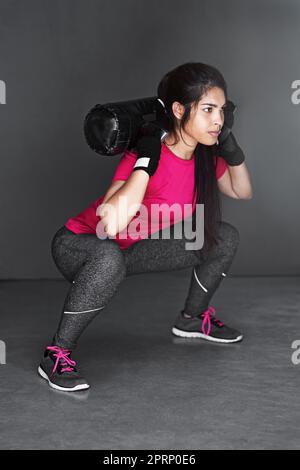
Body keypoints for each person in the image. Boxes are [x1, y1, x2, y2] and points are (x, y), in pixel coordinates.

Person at [38, 62, 253, 392]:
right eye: (209, 110)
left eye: (222, 111)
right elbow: (111, 223)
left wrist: (232, 150)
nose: (219, 120)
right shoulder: (147, 154)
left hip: (130, 252)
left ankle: (192, 319)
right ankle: (57, 353)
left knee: (223, 237)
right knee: (109, 256)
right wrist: (145, 161)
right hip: (80, 245)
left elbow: (241, 191)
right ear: (180, 109)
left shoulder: (205, 157)